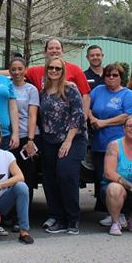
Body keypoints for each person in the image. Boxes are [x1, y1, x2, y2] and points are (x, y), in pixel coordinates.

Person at [38, 57, 87, 235]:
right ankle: (57, 217)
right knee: (49, 179)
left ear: (63, 71)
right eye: (50, 68)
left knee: (65, 174)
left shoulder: (70, 89)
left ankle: (72, 218)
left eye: (57, 68)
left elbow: (77, 116)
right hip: (49, 140)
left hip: (73, 139)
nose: (54, 71)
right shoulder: (43, 92)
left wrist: (68, 141)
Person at [87, 63, 132, 219]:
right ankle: (112, 213)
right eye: (108, 75)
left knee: (121, 180)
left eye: (115, 75)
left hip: (120, 147)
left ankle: (125, 213)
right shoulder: (98, 90)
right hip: (99, 145)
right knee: (103, 181)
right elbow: (86, 106)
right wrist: (92, 118)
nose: (111, 78)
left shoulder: (127, 94)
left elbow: (129, 115)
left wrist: (104, 122)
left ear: (121, 77)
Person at [23, 38, 91, 106]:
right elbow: (19, 74)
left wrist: (84, 113)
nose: (54, 50)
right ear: (45, 52)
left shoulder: (75, 70)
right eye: (51, 48)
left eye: (57, 48)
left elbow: (86, 95)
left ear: (62, 51)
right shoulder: (34, 71)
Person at [8, 55, 40, 190]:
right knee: (10, 174)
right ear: (9, 71)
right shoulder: (6, 87)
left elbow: (33, 115)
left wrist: (30, 140)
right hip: (9, 136)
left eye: (20, 69)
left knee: (27, 175)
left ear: (25, 70)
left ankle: (26, 203)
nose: (17, 72)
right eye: (13, 69)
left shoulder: (31, 89)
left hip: (27, 136)